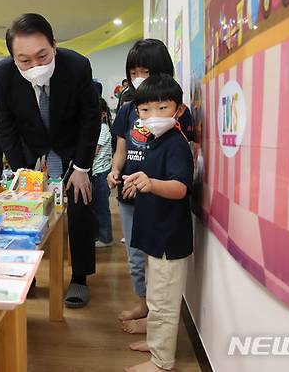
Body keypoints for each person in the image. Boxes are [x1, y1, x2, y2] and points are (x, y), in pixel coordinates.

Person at [0, 13, 100, 308]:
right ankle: (27, 273)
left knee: (79, 206)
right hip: (30, 149)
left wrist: (82, 167)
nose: (35, 66)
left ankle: (79, 277)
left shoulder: (77, 65)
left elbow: (90, 119)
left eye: (42, 56)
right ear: (13, 58)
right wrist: (21, 170)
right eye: (24, 60)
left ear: (54, 44)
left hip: (71, 147)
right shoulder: (3, 75)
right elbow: (6, 124)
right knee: (25, 214)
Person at [108, 38, 194, 333]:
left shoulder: (175, 111)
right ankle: (144, 304)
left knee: (158, 262)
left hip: (160, 198)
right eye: (133, 72)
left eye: (145, 71)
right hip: (130, 194)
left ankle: (154, 319)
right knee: (136, 257)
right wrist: (115, 171)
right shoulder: (128, 109)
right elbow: (120, 148)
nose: (138, 78)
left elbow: (183, 157)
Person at [122, 74, 193, 372]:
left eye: (162, 108)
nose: (153, 116)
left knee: (163, 302)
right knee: (154, 293)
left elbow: (180, 187)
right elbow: (150, 177)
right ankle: (155, 340)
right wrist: (136, 182)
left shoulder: (176, 143)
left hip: (168, 237)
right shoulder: (155, 140)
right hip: (154, 232)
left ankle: (162, 361)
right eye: (145, 109)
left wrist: (150, 183)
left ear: (178, 110)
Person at [91, 98, 113, 247]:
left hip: (101, 174)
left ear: (103, 114)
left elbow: (93, 151)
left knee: (101, 208)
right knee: (96, 207)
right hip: (96, 173)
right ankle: (98, 235)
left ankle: (106, 238)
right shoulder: (96, 128)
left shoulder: (103, 128)